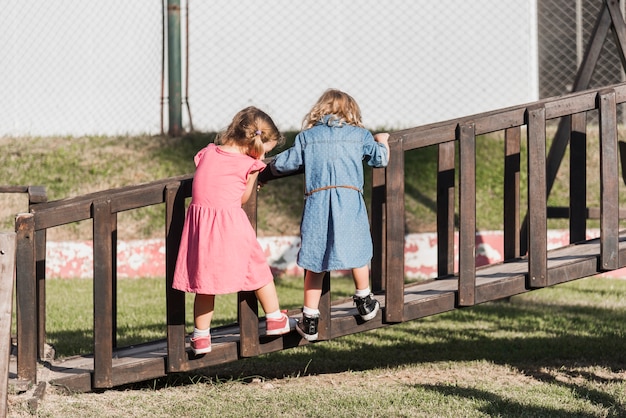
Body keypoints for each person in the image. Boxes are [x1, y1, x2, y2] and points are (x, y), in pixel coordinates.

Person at [266, 89, 390, 341]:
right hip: (349, 200)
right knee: (358, 250)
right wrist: (383, 140)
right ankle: (365, 300)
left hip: (318, 201)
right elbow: (380, 159)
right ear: (351, 111)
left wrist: (263, 167)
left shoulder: (307, 138)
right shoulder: (360, 136)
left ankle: (310, 319)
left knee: (315, 258)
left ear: (319, 110)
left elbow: (282, 164)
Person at [172, 106, 293, 355]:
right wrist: (253, 177)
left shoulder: (207, 153)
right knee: (257, 268)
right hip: (230, 223)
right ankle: (274, 318)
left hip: (201, 227)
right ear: (256, 144)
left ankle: (201, 337)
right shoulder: (249, 164)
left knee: (205, 283)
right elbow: (241, 199)